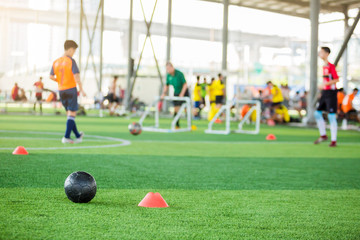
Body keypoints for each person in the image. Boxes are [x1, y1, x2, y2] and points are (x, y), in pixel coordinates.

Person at [50, 40, 86, 144]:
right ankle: (66, 137)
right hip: (70, 89)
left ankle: (78, 135)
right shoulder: (71, 61)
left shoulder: (56, 62)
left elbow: (51, 76)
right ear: (70, 49)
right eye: (74, 50)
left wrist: (60, 81)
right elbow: (76, 76)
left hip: (61, 90)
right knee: (72, 114)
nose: (74, 53)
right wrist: (82, 89)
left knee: (69, 114)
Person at [314, 47, 339, 147]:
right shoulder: (323, 66)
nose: (320, 54)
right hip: (325, 93)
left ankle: (334, 140)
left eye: (322, 52)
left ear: (327, 53)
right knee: (317, 113)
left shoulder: (330, 66)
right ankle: (323, 135)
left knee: (331, 116)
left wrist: (324, 85)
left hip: (331, 93)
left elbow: (336, 79)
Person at [160, 62, 189, 128]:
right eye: (166, 69)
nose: (168, 70)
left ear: (172, 67)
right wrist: (163, 94)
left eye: (168, 68)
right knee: (176, 109)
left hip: (184, 92)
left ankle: (189, 125)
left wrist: (182, 94)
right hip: (176, 92)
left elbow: (185, 84)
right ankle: (177, 125)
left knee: (186, 109)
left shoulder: (179, 74)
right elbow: (166, 85)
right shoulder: (168, 75)